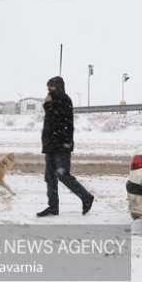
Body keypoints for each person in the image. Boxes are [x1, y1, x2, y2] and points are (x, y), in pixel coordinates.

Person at [37, 76, 94, 217]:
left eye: (51, 87)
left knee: (63, 175)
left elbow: (58, 120)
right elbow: (50, 123)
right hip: (51, 146)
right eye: (47, 87)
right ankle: (53, 207)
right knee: (50, 177)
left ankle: (86, 197)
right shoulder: (54, 101)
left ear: (58, 87)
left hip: (62, 146)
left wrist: (48, 105)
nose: (48, 89)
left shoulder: (64, 100)